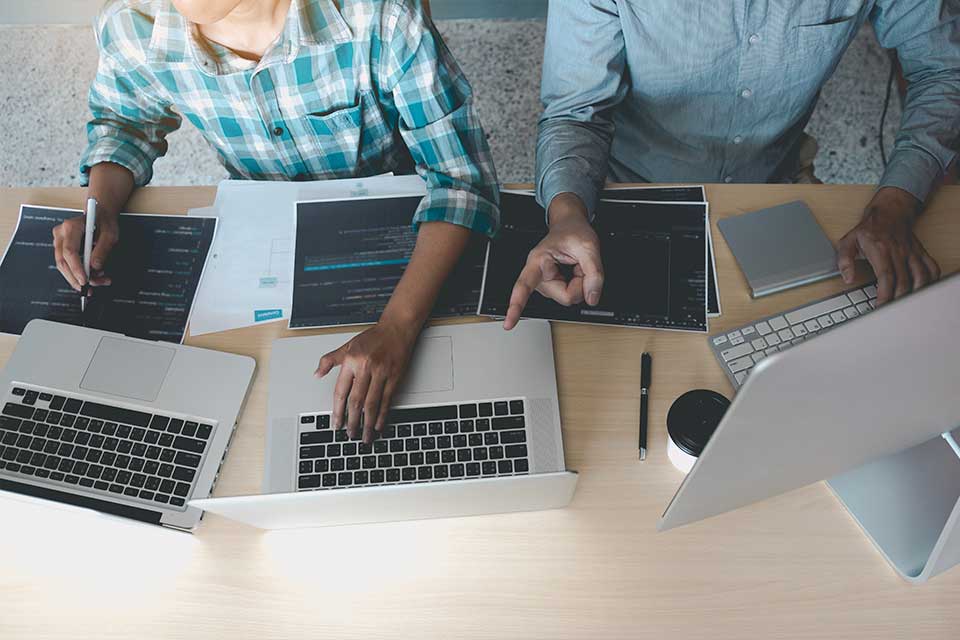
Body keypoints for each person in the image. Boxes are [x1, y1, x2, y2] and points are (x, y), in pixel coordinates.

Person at [50, 0, 499, 443]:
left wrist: (399, 326)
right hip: (260, 237)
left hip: (400, 230)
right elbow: (123, 123)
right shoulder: (131, 26)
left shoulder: (383, 16)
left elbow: (460, 181)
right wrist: (102, 206)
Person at [504, 0, 958, 329]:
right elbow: (575, 111)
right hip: (627, 187)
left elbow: (943, 69)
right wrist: (566, 212)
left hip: (773, 181)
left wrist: (897, 202)